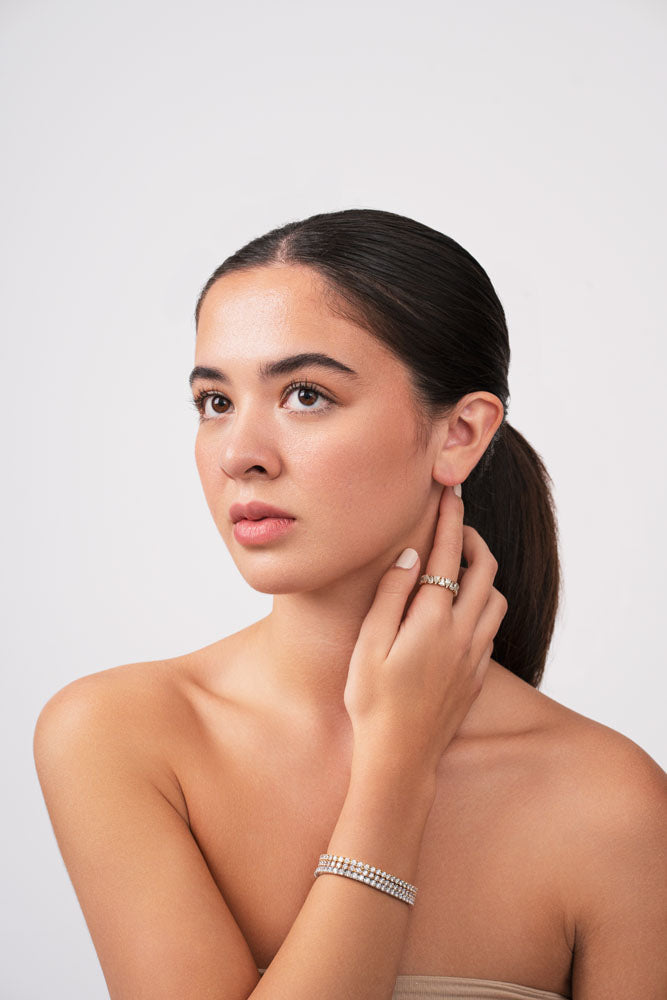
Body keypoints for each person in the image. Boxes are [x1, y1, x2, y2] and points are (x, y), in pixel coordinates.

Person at [34, 208, 667, 1000]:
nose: (239, 455)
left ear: (460, 434)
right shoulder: (121, 734)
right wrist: (395, 770)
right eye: (215, 402)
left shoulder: (612, 804)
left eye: (304, 394)